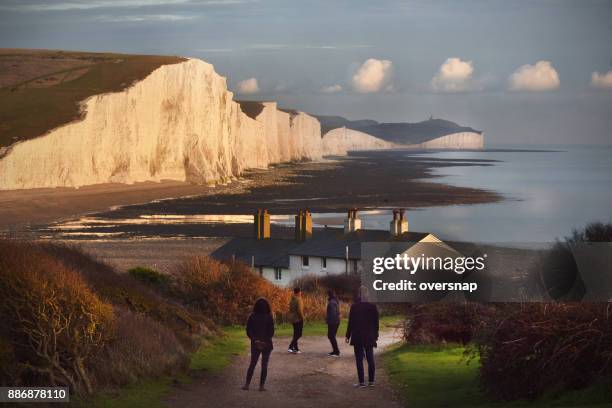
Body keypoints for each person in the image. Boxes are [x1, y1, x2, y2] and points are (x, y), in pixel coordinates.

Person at [345, 287, 379, 388]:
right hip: (369, 335)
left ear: (359, 294)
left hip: (358, 335)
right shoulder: (372, 307)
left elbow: (351, 322)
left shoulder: (354, 307)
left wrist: (348, 335)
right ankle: (371, 381)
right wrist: (376, 335)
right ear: (367, 294)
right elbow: (376, 323)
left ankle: (361, 382)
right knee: (370, 358)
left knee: (359, 359)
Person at [242, 298, 275, 391]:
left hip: (255, 344)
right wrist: (264, 340)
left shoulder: (252, 316)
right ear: (267, 306)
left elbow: (249, 331)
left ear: (256, 306)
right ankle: (261, 386)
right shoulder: (269, 316)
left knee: (252, 364)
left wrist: (255, 340)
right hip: (267, 344)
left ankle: (247, 384)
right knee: (264, 365)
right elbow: (271, 332)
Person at [287, 287, 304, 353]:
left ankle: (296, 348)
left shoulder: (292, 300)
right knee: (299, 334)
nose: (301, 293)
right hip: (298, 319)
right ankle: (290, 346)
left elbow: (290, 309)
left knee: (295, 334)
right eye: (300, 292)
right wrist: (302, 318)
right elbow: (299, 310)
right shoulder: (299, 299)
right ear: (299, 292)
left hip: (293, 319)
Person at [326, 289, 341, 356]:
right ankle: (335, 350)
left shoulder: (331, 302)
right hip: (336, 321)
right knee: (331, 336)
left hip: (333, 322)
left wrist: (330, 322)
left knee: (331, 336)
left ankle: (336, 351)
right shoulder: (335, 301)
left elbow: (332, 313)